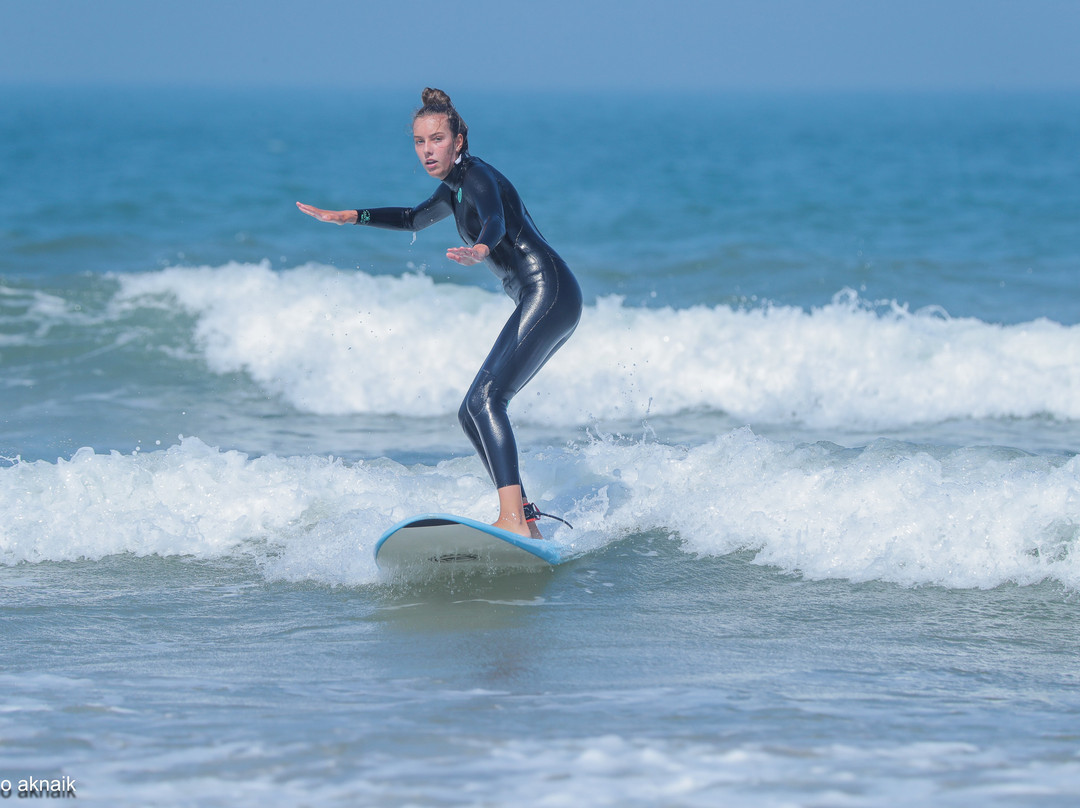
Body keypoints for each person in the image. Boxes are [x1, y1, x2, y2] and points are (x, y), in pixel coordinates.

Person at [297, 88, 582, 539]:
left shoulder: (479, 180)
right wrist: (352, 216)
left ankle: (515, 519)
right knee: (471, 411)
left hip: (550, 291)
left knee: (486, 401)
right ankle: (523, 515)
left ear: (458, 141)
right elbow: (412, 218)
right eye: (418, 141)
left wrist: (482, 248)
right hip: (543, 296)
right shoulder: (453, 189)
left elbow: (495, 220)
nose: (427, 150)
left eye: (436, 139)